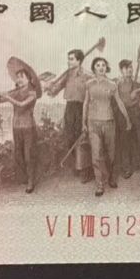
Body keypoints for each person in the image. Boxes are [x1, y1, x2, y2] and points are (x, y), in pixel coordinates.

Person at [83, 56, 131, 196]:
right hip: (93, 123)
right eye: (98, 65)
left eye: (103, 65)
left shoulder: (112, 85)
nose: (101, 67)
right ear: (94, 68)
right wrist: (83, 123)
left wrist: (127, 119)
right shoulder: (89, 84)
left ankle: (112, 177)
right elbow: (85, 103)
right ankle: (99, 184)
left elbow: (120, 102)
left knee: (111, 154)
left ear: (106, 68)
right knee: (96, 154)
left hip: (109, 122)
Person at [46, 48, 93, 182]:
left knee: (82, 139)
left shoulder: (88, 76)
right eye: (68, 59)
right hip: (70, 108)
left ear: (79, 61)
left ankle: (86, 170)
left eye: (71, 59)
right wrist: (49, 87)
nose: (69, 61)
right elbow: (54, 92)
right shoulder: (67, 75)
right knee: (70, 138)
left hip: (83, 108)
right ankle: (77, 166)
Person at [1, 71, 40, 193]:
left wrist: (8, 97)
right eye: (17, 77)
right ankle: (24, 178)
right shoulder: (16, 92)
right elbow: (0, 98)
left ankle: (31, 182)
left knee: (29, 155)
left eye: (22, 77)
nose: (19, 79)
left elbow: (22, 105)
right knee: (18, 155)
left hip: (28, 127)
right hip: (16, 127)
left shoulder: (32, 93)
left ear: (28, 79)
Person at [115, 60, 140, 178]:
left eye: (130, 67)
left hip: (135, 112)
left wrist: (136, 91)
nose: (129, 70)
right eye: (126, 68)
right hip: (123, 113)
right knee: (125, 140)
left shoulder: (136, 81)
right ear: (121, 70)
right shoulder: (118, 83)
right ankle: (127, 168)